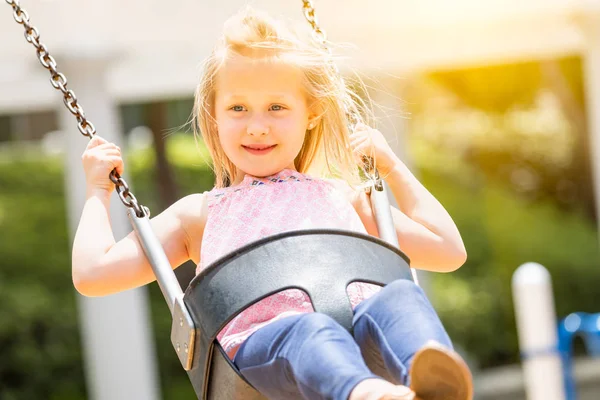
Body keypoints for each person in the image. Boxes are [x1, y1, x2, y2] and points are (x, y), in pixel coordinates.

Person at [72, 7, 472, 400]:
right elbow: (94, 273)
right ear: (214, 115)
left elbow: (447, 250)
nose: (257, 125)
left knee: (400, 296)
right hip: (264, 354)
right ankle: (368, 395)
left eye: (276, 107)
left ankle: (432, 388)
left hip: (359, 332)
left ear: (311, 113)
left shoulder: (342, 197)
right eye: (237, 108)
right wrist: (97, 192)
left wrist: (391, 165)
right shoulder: (201, 214)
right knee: (311, 331)